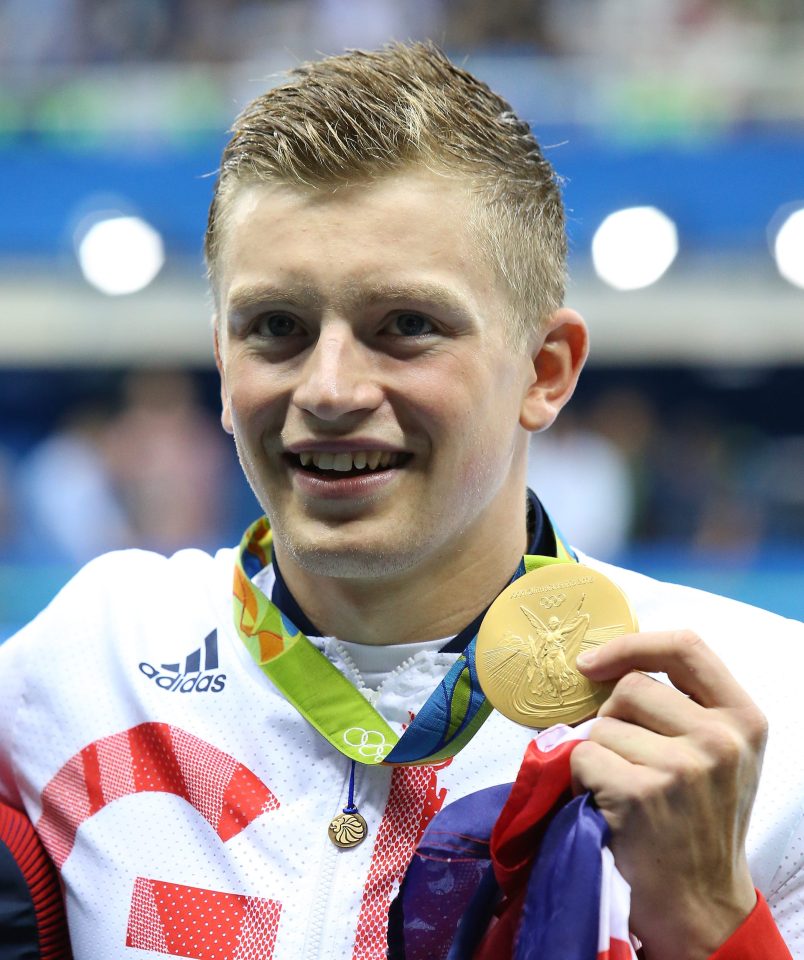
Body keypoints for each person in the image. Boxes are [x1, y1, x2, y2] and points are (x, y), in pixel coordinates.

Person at [0, 42, 802, 960]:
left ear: (547, 372)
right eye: (276, 329)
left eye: (406, 327)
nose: (330, 389)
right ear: (222, 367)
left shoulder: (773, 727)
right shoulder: (79, 663)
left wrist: (709, 921)